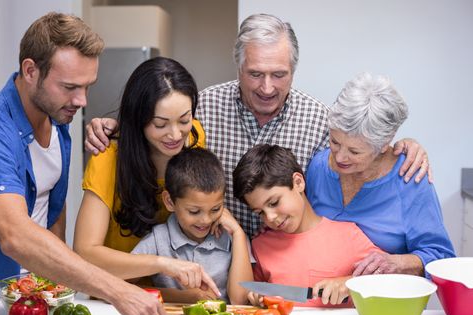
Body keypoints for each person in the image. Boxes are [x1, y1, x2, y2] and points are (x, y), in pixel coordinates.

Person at [84, 14, 431, 237]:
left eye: (279, 75)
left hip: (286, 268)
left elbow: (359, 154)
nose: (267, 87)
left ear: (294, 70)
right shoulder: (201, 108)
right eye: (255, 74)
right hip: (214, 263)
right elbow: (160, 128)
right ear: (238, 68)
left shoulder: (322, 121)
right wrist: (118, 125)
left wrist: (401, 147)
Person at [0, 12, 170, 315]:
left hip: (39, 298)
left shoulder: (57, 119)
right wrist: (117, 290)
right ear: (30, 71)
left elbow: (52, 204)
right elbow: (16, 236)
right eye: (69, 87)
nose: (81, 101)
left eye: (87, 86)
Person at [73, 57, 220, 299]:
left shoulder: (194, 138)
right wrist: (162, 264)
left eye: (184, 119)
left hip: (174, 293)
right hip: (116, 295)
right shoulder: (108, 158)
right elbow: (85, 252)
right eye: (160, 124)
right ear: (137, 120)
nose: (175, 134)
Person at [306, 73, 455, 277]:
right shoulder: (319, 167)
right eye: (335, 142)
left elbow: (441, 257)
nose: (340, 157)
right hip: (324, 299)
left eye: (354, 151)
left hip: (384, 300)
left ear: (384, 143)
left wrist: (398, 263)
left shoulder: (410, 178)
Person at [233, 144, 383, 307]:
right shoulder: (260, 245)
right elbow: (252, 296)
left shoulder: (349, 236)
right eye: (259, 212)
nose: (270, 217)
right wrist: (257, 298)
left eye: (274, 202)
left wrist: (350, 283)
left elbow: (393, 281)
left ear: (298, 183)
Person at [131, 147, 253, 305]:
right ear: (169, 201)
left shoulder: (232, 236)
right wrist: (183, 297)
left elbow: (240, 300)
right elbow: (119, 285)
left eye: (215, 209)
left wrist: (238, 234)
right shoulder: (158, 239)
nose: (206, 220)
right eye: (194, 211)